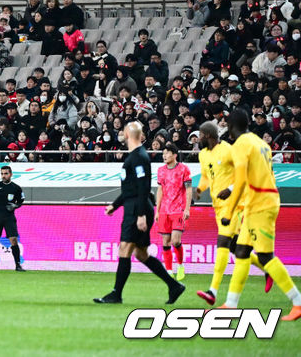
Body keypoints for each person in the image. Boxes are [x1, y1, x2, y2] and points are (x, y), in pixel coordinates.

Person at [218, 109, 301, 319]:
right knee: (242, 251)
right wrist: (231, 189)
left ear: (230, 127)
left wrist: (228, 211)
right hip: (262, 199)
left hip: (260, 204)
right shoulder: (260, 143)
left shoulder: (240, 146)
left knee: (265, 255)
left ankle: (298, 302)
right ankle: (231, 303)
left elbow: (242, 181)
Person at [94, 121, 184, 305]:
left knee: (125, 248)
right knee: (141, 254)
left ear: (127, 134)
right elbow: (131, 189)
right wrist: (115, 205)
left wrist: (142, 214)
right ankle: (174, 286)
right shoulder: (136, 156)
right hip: (134, 206)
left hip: (137, 210)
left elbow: (143, 187)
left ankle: (116, 294)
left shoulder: (139, 157)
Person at [194, 121, 240, 305]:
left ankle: (212, 291)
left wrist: (230, 188)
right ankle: (269, 267)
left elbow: (244, 173)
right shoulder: (203, 154)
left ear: (209, 135)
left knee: (222, 241)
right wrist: (199, 190)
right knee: (237, 249)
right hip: (218, 205)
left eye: (200, 135)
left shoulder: (228, 150)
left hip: (234, 203)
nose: (198, 139)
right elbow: (206, 176)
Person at [155, 145, 191, 281]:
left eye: (167, 153)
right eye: (163, 153)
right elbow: (160, 190)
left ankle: (180, 265)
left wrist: (187, 208)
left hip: (178, 210)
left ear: (175, 155)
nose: (164, 156)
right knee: (165, 241)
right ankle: (169, 271)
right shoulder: (161, 171)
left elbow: (188, 189)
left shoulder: (183, 169)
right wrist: (157, 211)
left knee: (175, 241)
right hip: (164, 210)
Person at [0, 165, 24, 271]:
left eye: (6, 174)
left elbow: (21, 200)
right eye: (2, 174)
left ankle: (17, 265)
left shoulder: (16, 188)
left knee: (13, 240)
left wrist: (15, 206)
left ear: (11, 174)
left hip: (9, 217)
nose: (4, 176)